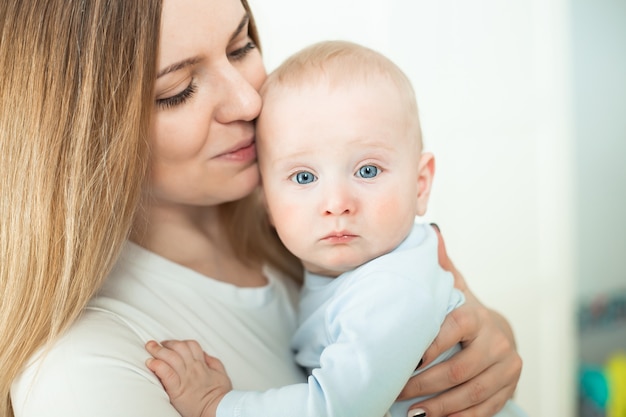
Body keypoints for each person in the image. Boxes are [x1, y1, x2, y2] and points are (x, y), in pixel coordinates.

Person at [0, 1, 521, 417]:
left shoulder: (326, 226)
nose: (249, 102)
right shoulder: (81, 371)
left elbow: (445, 330)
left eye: (241, 45)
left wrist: (489, 344)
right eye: (178, 91)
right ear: (81, 137)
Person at [144, 40, 527, 417]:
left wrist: (219, 406)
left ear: (420, 184)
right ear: (267, 204)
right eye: (305, 176)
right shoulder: (341, 272)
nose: (336, 202)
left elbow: (337, 409)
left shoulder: (392, 288)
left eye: (367, 170)